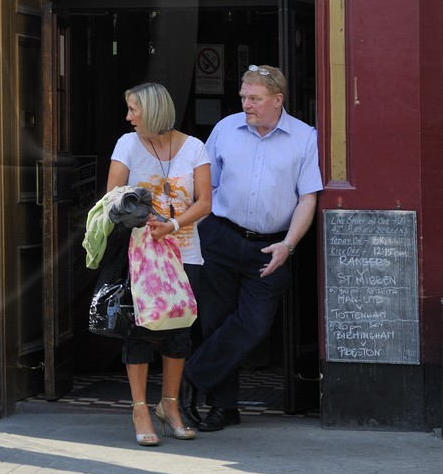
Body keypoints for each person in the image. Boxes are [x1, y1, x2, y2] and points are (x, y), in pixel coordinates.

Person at [184, 64, 323, 433]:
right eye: (243, 97)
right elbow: (203, 185)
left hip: (271, 245)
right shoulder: (225, 129)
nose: (246, 104)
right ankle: (222, 407)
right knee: (215, 322)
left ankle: (192, 375)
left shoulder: (305, 138)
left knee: (255, 325)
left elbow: (308, 198)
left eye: (254, 98)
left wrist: (289, 246)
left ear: (277, 100)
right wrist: (202, 229)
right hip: (221, 237)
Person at [105, 82, 211, 446]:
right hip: (141, 258)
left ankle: (170, 405)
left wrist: (173, 225)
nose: (128, 117)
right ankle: (139, 408)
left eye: (134, 109)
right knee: (139, 334)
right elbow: (112, 200)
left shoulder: (195, 148)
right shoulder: (127, 144)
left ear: (152, 111)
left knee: (179, 333)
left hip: (185, 255)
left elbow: (204, 202)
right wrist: (139, 217)